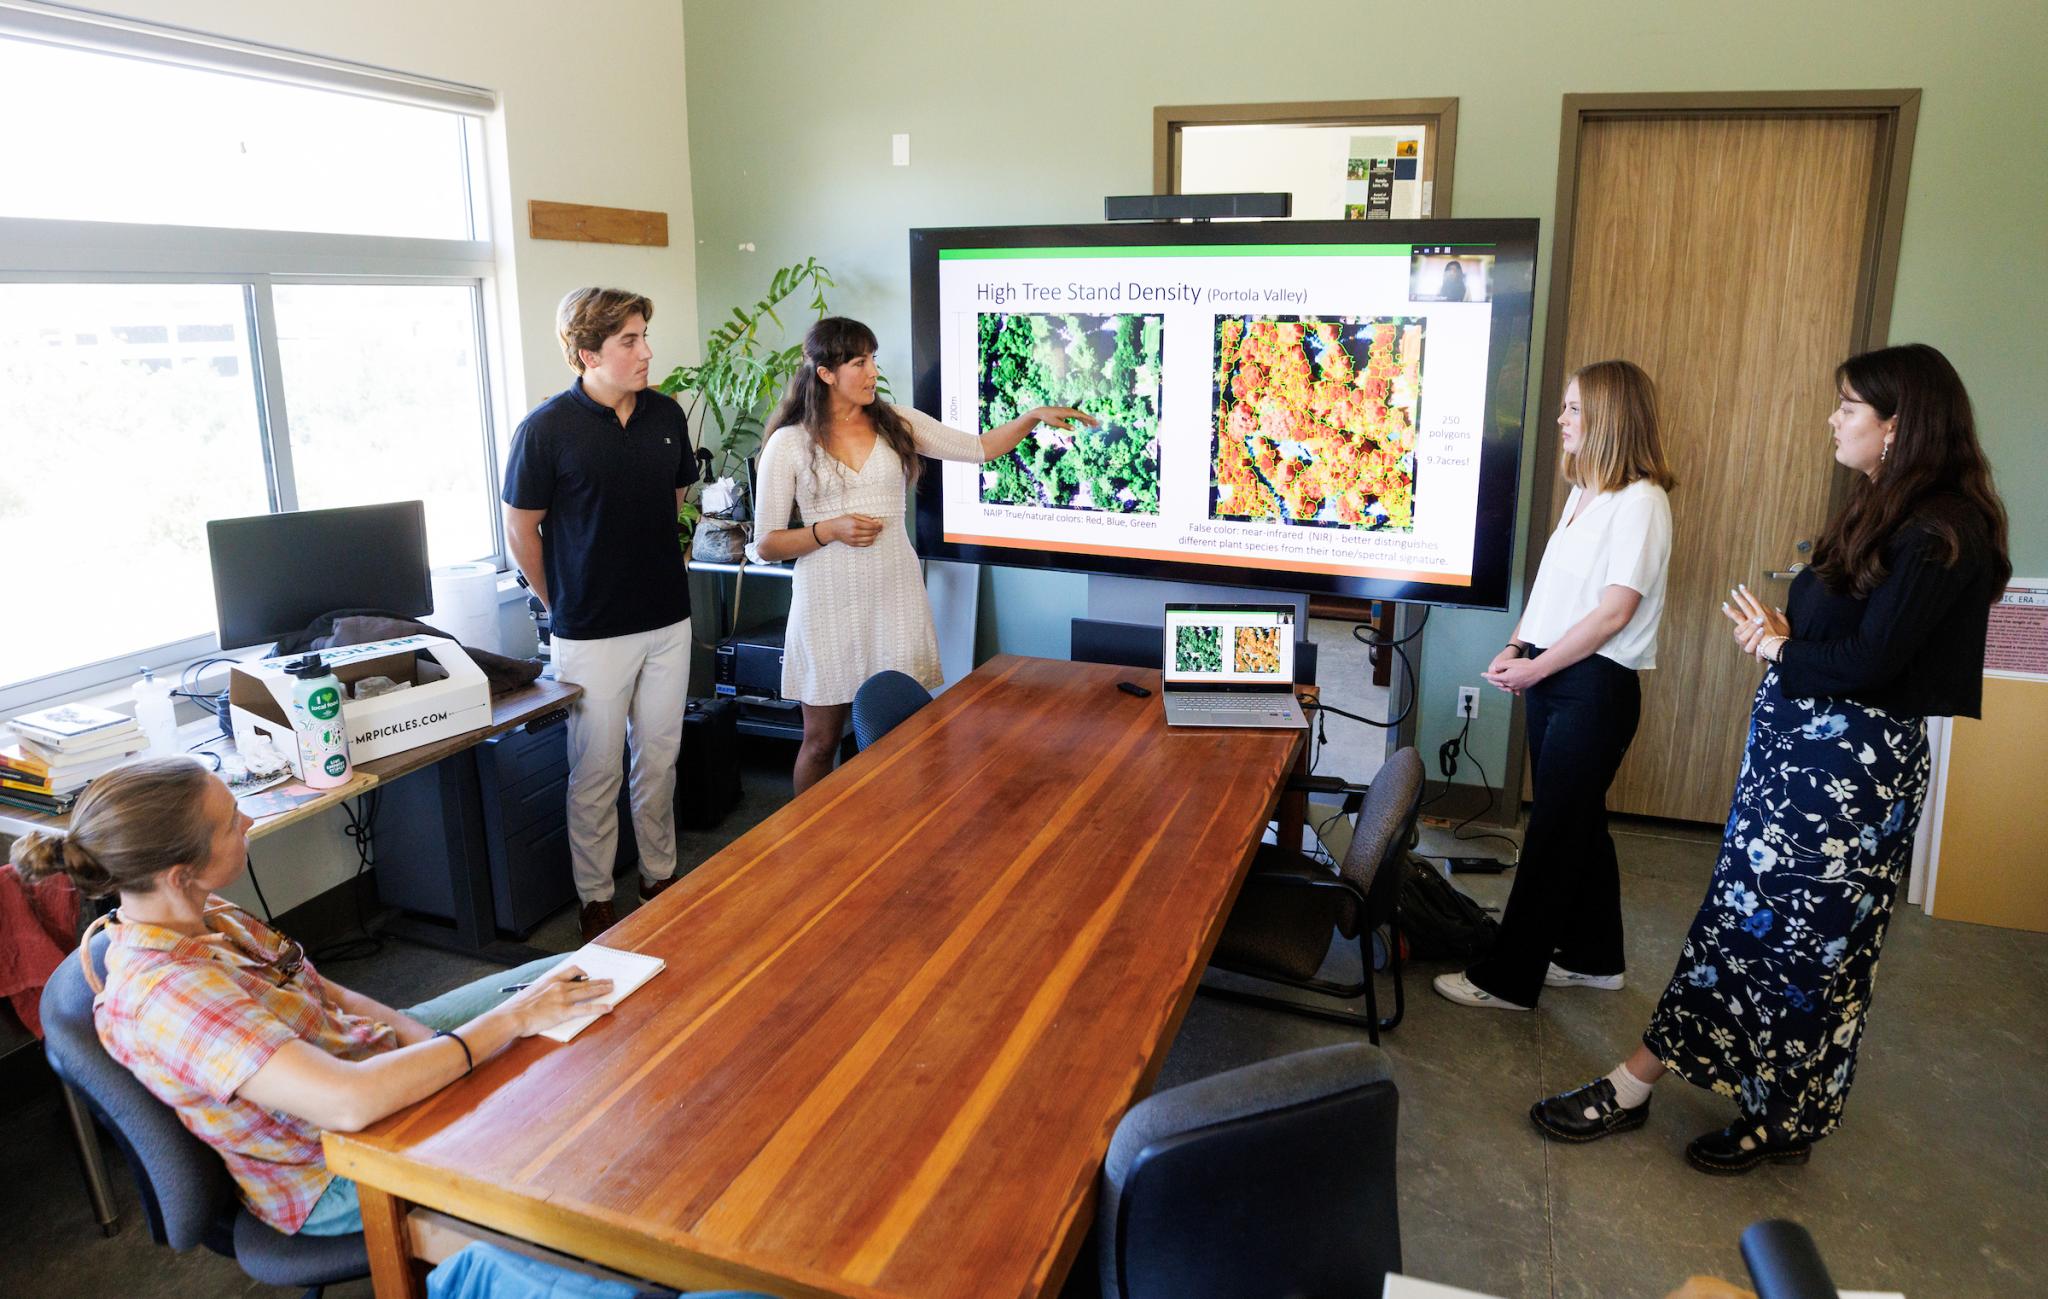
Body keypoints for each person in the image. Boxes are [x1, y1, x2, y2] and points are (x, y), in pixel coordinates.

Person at [1531, 343, 2009, 1175]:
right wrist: (1784, 640)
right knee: (1751, 930)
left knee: (1809, 950)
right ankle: (1748, 1102)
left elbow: (1869, 664)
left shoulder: (1941, 532)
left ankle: (1716, 1100)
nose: (1833, 417)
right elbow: (1839, 630)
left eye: (1849, 407)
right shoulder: (1882, 508)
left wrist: (1779, 647)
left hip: (1846, 783)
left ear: (1898, 428)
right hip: (1799, 768)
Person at [10, 757, 613, 1236]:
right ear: (178, 872)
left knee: (580, 971)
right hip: (335, 1167)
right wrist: (504, 1026)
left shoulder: (197, 910)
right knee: (567, 1124)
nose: (246, 821)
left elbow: (314, 983)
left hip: (360, 1054)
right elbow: (347, 1104)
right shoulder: (170, 995)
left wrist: (422, 1037)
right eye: (229, 822)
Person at [746, 317, 1096, 794]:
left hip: (895, 598)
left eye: (872, 359)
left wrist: (1031, 416)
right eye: (859, 362)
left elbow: (977, 449)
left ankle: (897, 833)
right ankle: (809, 851)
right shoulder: (788, 444)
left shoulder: (898, 423)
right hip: (826, 606)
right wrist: (828, 530)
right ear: (825, 373)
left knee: (901, 736)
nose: (872, 372)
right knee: (820, 740)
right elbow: (766, 544)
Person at [1433, 359, 1675, 1011]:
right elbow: (1555, 591)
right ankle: (1597, 958)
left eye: (1572, 408)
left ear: (1608, 419)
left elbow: (1614, 610)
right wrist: (1519, 643)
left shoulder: (1642, 501)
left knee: (1551, 839)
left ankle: (1508, 979)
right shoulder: (1585, 494)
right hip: (1555, 676)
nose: (1561, 419)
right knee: (1581, 824)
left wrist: (1539, 666)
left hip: (1593, 686)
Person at [504, 287, 700, 940]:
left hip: (668, 619)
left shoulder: (666, 414)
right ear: (587, 353)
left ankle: (659, 877)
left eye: (645, 335)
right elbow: (521, 530)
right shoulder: (544, 430)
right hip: (590, 631)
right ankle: (595, 897)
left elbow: (672, 500)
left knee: (660, 758)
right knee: (596, 771)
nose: (647, 351)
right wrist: (558, 601)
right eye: (629, 341)